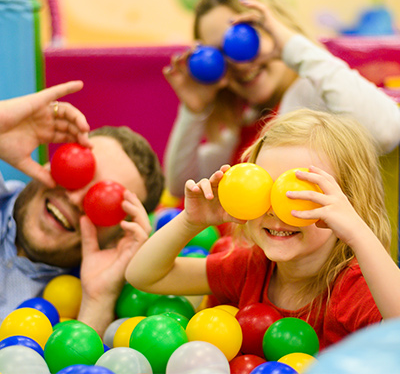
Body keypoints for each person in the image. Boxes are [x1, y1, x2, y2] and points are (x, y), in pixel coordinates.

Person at [126, 108, 400, 352]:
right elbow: (143, 276)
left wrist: (357, 231)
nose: (273, 210)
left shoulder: (355, 288)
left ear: (345, 207)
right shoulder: (251, 268)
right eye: (262, 190)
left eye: (297, 194)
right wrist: (190, 221)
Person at [163, 0, 400, 198]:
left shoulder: (314, 97)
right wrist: (193, 111)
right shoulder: (247, 124)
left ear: (278, 30)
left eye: (244, 38)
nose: (238, 62)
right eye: (218, 54)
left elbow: (388, 130)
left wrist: (291, 46)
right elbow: (181, 186)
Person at [0, 81, 164, 337]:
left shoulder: (79, 312)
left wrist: (98, 299)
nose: (76, 199)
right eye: (76, 170)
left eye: (102, 202)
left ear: (115, 240)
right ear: (51, 160)